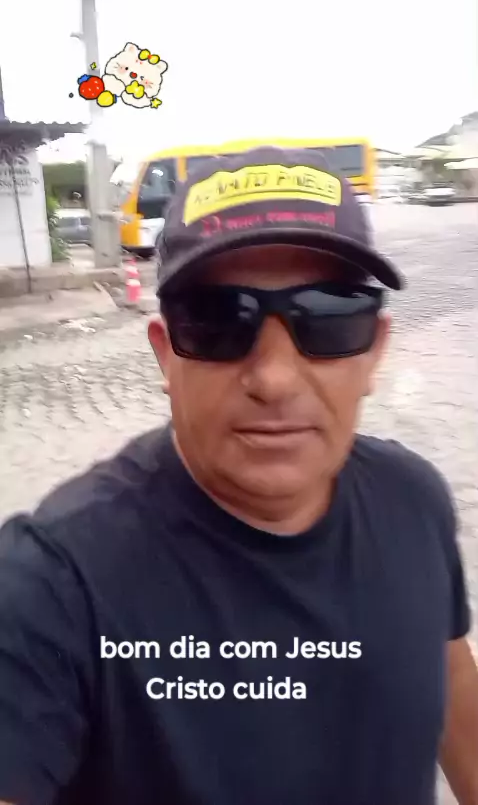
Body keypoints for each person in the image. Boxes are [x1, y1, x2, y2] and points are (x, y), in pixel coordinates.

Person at [0, 146, 477, 805]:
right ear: (166, 358)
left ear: (374, 352)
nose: (274, 379)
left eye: (330, 316)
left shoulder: (415, 503)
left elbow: (453, 690)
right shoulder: (53, 584)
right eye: (219, 321)